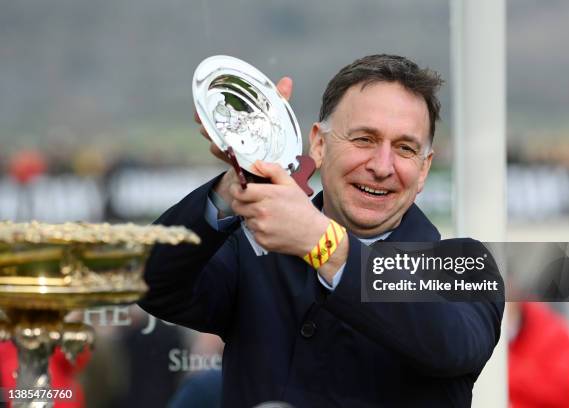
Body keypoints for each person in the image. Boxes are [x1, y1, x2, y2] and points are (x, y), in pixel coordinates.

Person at [139, 54, 504, 407]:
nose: (381, 166)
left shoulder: (462, 264)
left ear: (424, 170)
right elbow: (148, 281)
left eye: (405, 148)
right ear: (318, 143)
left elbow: (451, 345)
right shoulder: (253, 249)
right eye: (364, 139)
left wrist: (325, 246)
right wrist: (236, 185)